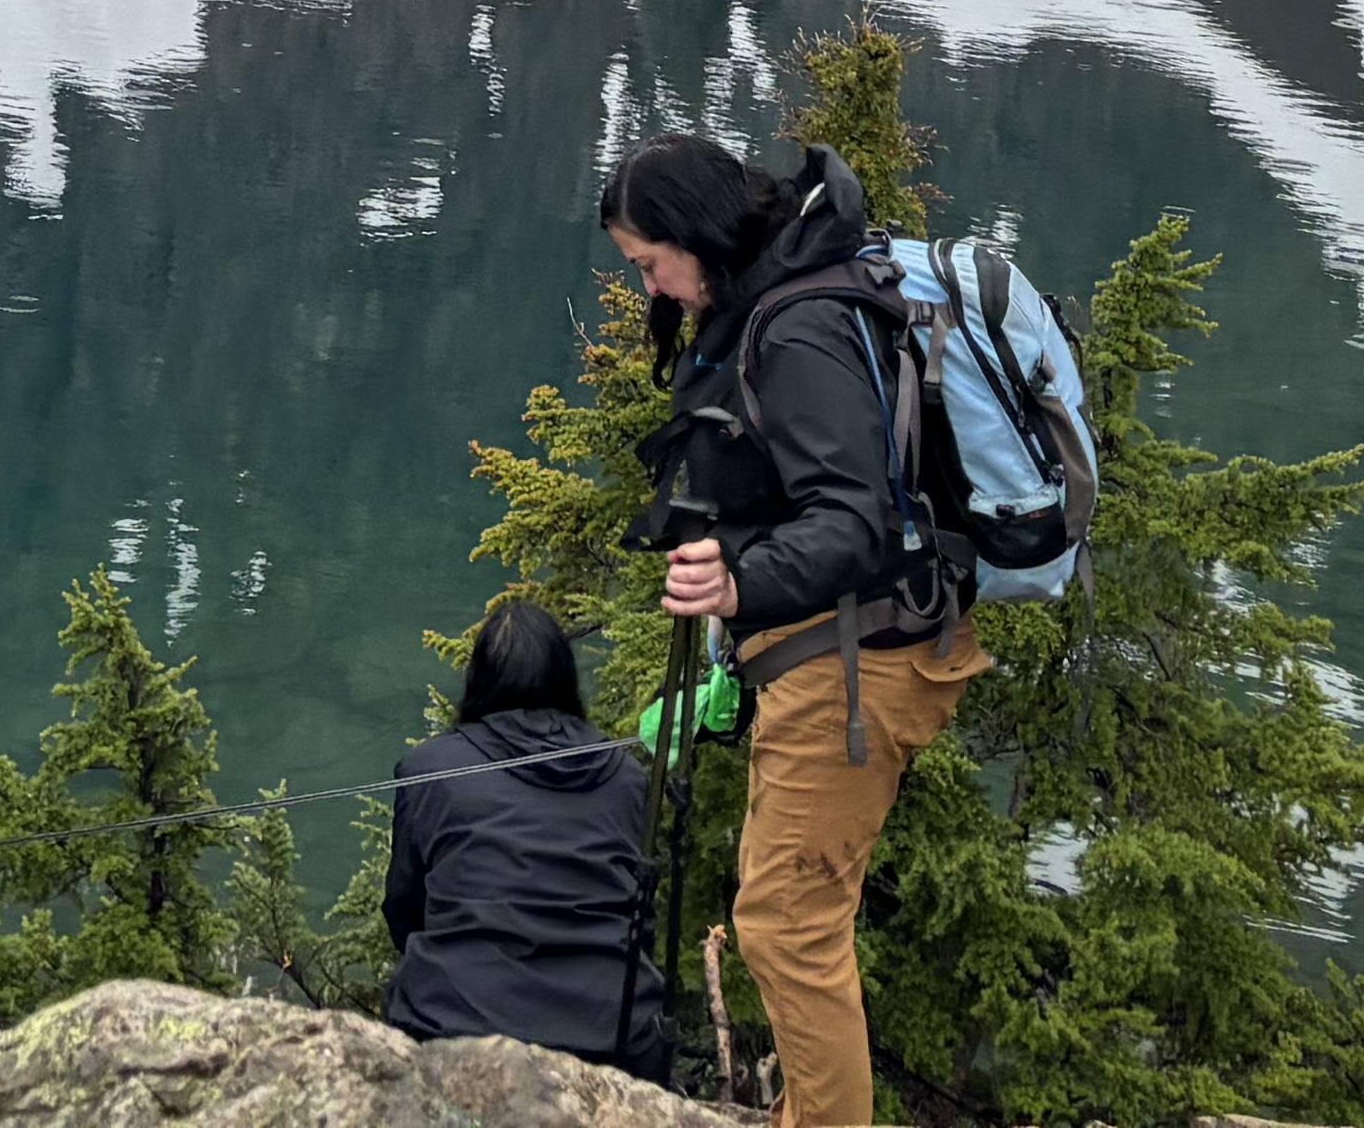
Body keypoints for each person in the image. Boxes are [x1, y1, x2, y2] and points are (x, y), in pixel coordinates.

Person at [603, 131, 978, 1128]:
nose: (651, 288)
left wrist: (738, 586)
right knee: (788, 918)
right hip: (838, 647)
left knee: (786, 925)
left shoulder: (796, 331)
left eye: (650, 262)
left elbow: (854, 522)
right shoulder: (778, 293)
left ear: (693, 235)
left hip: (856, 659)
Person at [381, 593, 665, 1074]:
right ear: (565, 679)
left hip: (454, 1020)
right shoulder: (628, 778)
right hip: (609, 1032)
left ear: (479, 678)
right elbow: (641, 920)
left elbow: (403, 911)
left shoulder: (429, 767)